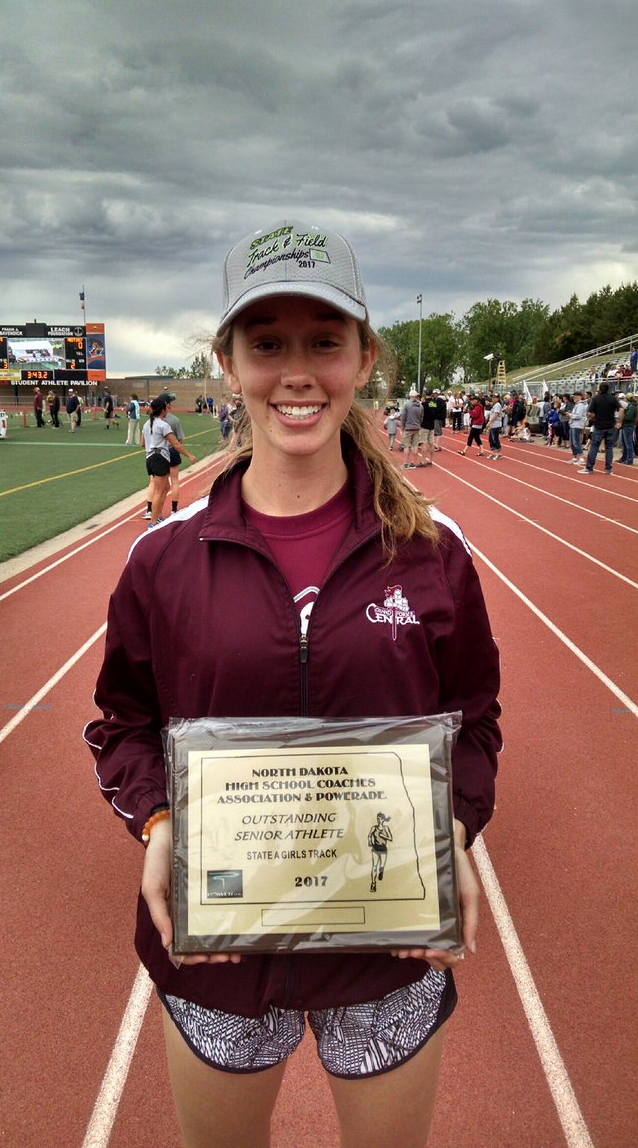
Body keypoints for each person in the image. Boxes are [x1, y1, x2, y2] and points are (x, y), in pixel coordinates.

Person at [84, 220, 501, 1148]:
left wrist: (457, 827)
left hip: (383, 953)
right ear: (227, 364)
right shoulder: (162, 558)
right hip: (221, 958)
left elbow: (474, 722)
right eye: (266, 344)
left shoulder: (433, 553)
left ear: (363, 357)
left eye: (324, 341)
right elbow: (123, 721)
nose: (296, 372)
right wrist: (156, 824)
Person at [141, 396, 196, 526]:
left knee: (165, 487)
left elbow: (142, 443)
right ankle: (154, 522)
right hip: (160, 458)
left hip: (150, 458)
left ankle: (158, 516)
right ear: (163, 410)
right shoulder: (163, 425)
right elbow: (176, 444)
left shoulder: (146, 424)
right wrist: (189, 455)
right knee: (159, 491)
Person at [578, 383, 619, 477]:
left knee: (594, 447)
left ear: (599, 389)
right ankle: (608, 468)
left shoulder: (596, 398)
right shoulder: (613, 398)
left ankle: (589, 468)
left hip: (599, 426)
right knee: (609, 447)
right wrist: (619, 421)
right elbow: (620, 409)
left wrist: (593, 418)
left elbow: (589, 413)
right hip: (610, 425)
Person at [399, 389, 423, 468]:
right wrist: (418, 424)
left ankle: (406, 463)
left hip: (408, 428)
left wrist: (402, 426)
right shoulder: (420, 405)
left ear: (410, 396)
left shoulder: (406, 404)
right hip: (417, 428)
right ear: (416, 396)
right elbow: (421, 417)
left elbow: (403, 417)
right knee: (415, 446)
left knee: (406, 446)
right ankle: (413, 463)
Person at [567, 392, 588, 465]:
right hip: (573, 425)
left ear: (580, 397)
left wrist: (570, 415)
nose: (574, 397)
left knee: (576, 442)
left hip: (577, 425)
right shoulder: (577, 405)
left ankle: (581, 458)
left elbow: (578, 416)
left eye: (576, 396)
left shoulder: (581, 405)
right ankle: (575, 457)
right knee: (572, 442)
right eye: (574, 396)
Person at [617, 393, 636, 466]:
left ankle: (629, 459)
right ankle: (624, 457)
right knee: (625, 443)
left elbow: (629, 417)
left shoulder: (632, 407)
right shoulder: (631, 406)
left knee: (628, 443)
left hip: (628, 426)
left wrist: (623, 415)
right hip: (627, 426)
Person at [486, 394, 503, 459]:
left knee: (495, 439)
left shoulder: (497, 405)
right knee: (491, 439)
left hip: (496, 424)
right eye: (492, 397)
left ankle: (499, 453)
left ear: (498, 398)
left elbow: (496, 415)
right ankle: (493, 452)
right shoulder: (494, 405)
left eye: (495, 397)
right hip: (493, 425)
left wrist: (489, 422)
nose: (493, 399)